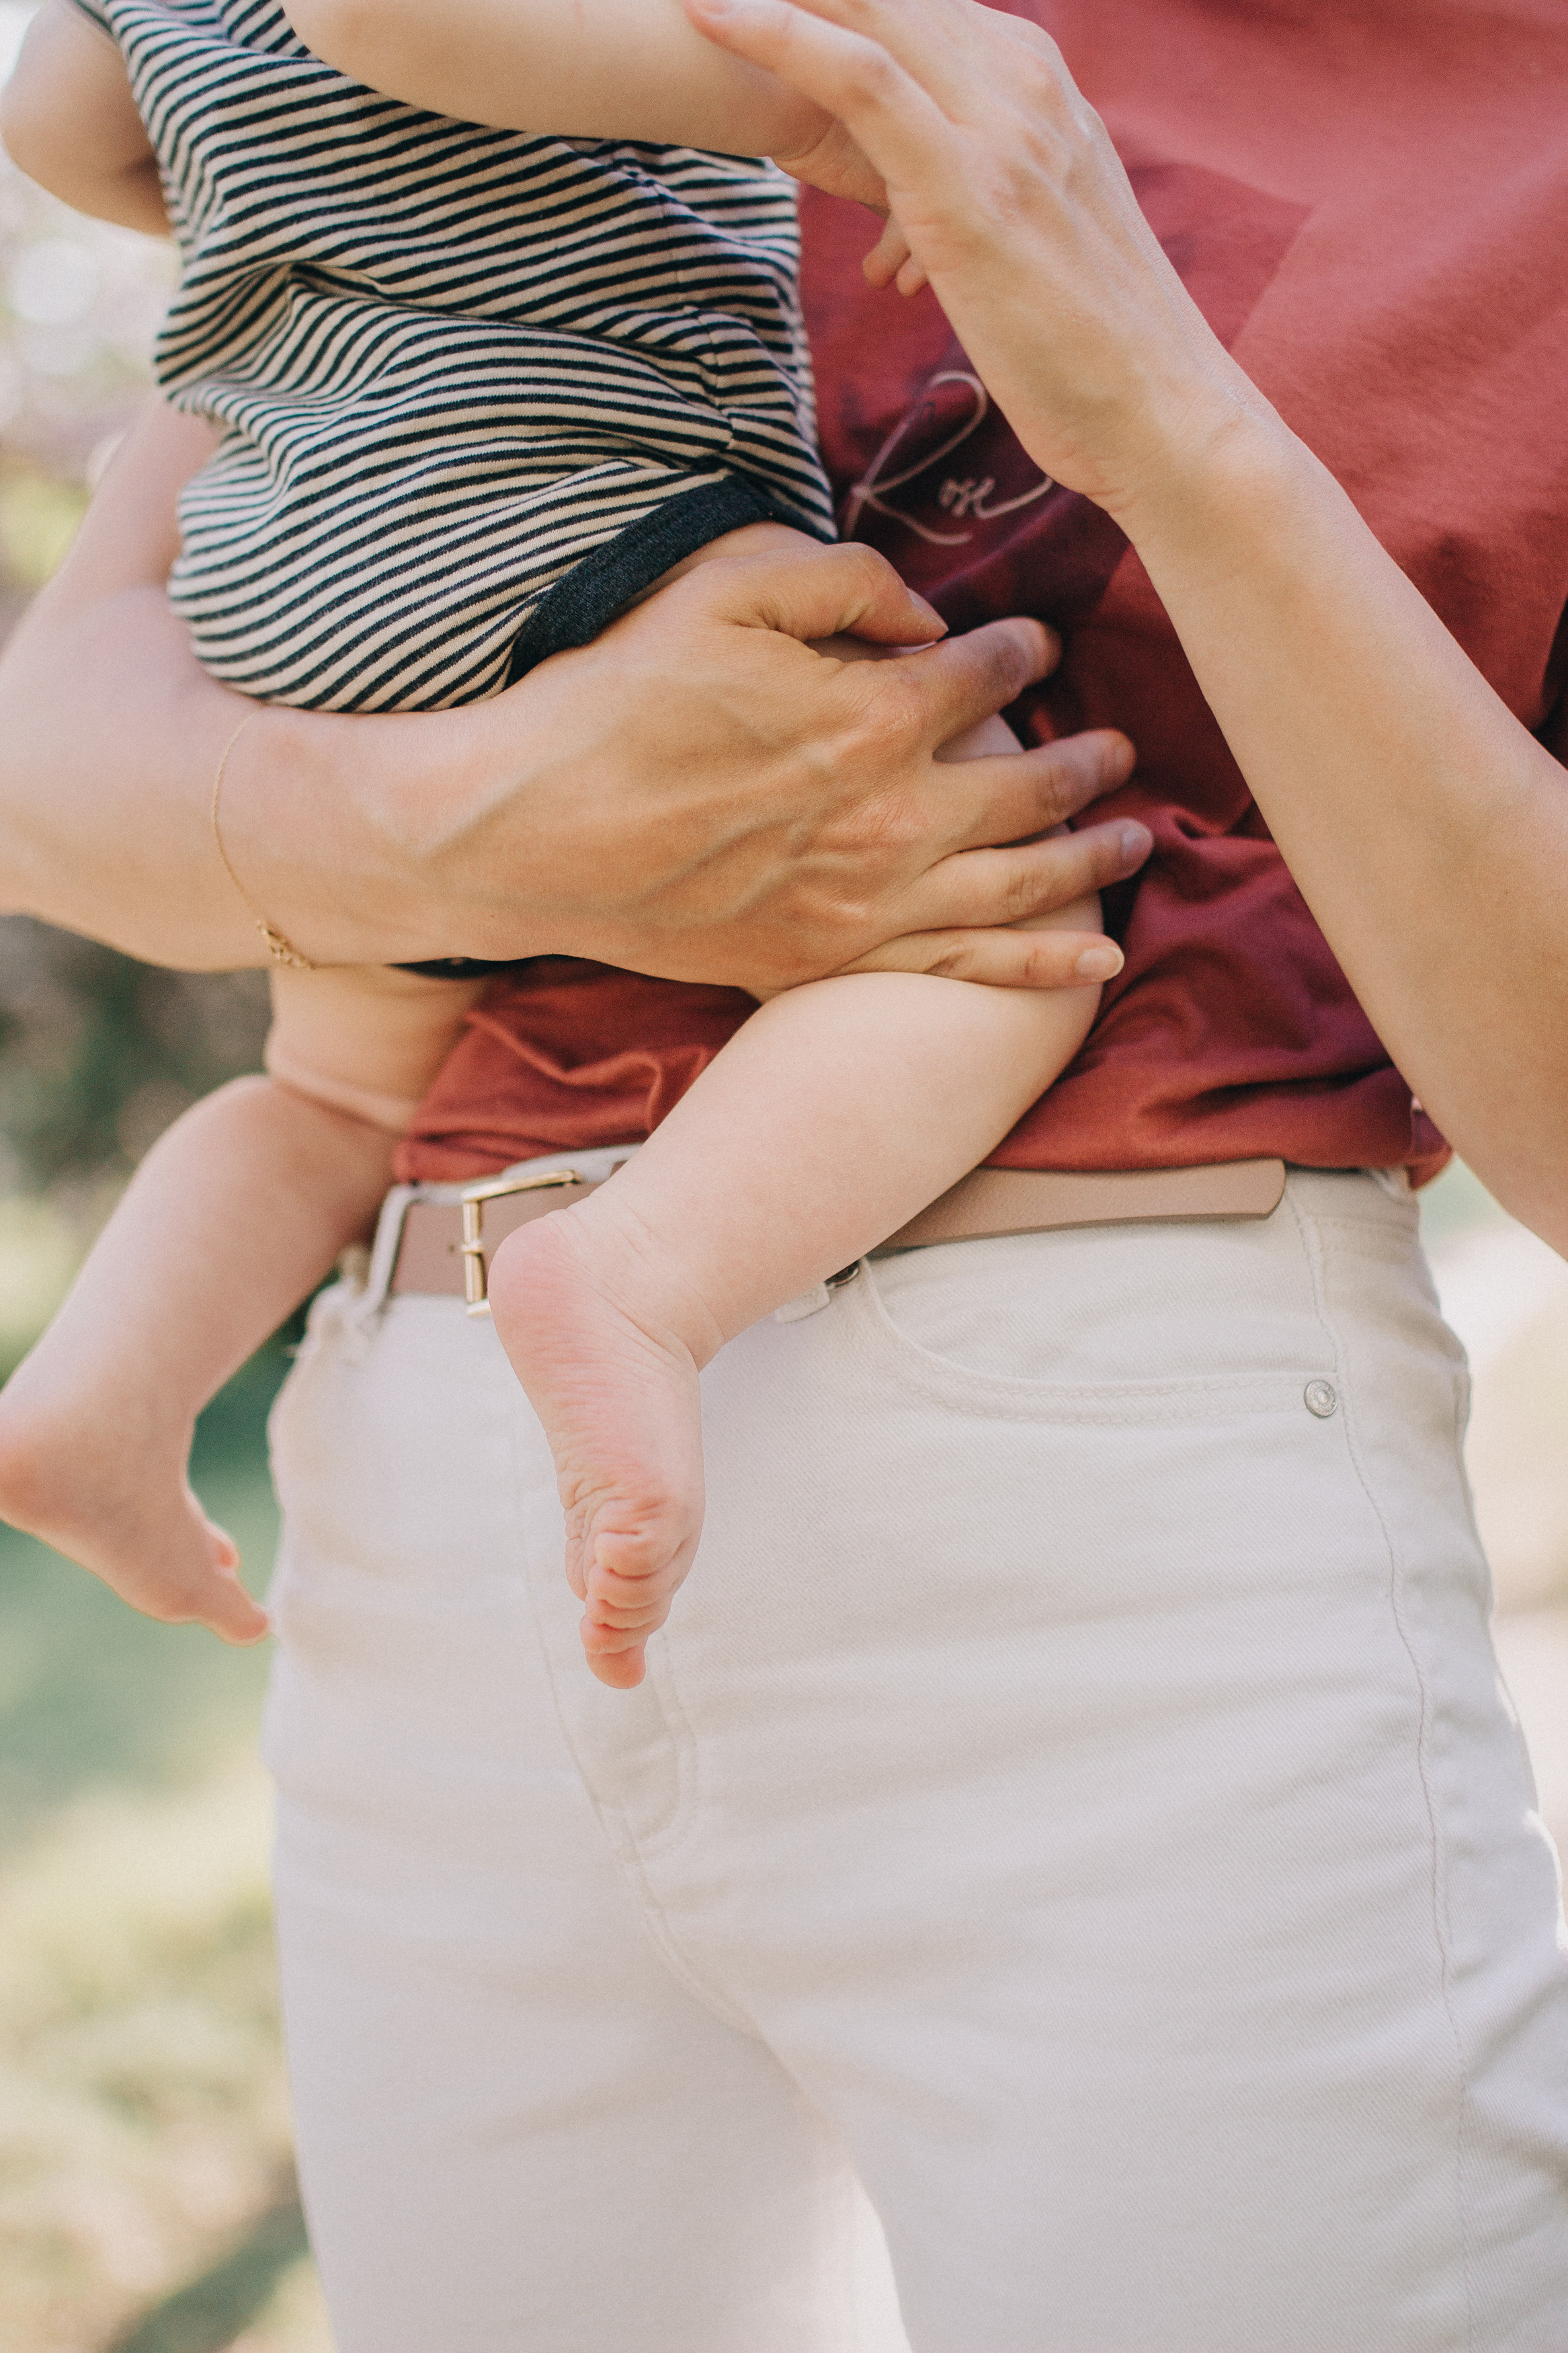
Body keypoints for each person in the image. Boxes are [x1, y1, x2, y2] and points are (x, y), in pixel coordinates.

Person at [2, 0, 1567, 2342]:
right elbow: (54, 762)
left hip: (1117, 1523)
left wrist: (1169, 423)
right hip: (435, 1488)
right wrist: (465, 829)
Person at [0, 0, 1121, 1685]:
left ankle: (102, 1393)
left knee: (337, 1090)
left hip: (286, 566)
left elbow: (52, 116)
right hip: (557, 485)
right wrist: (822, 120)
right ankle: (637, 1281)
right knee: (988, 908)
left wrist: (273, 170)